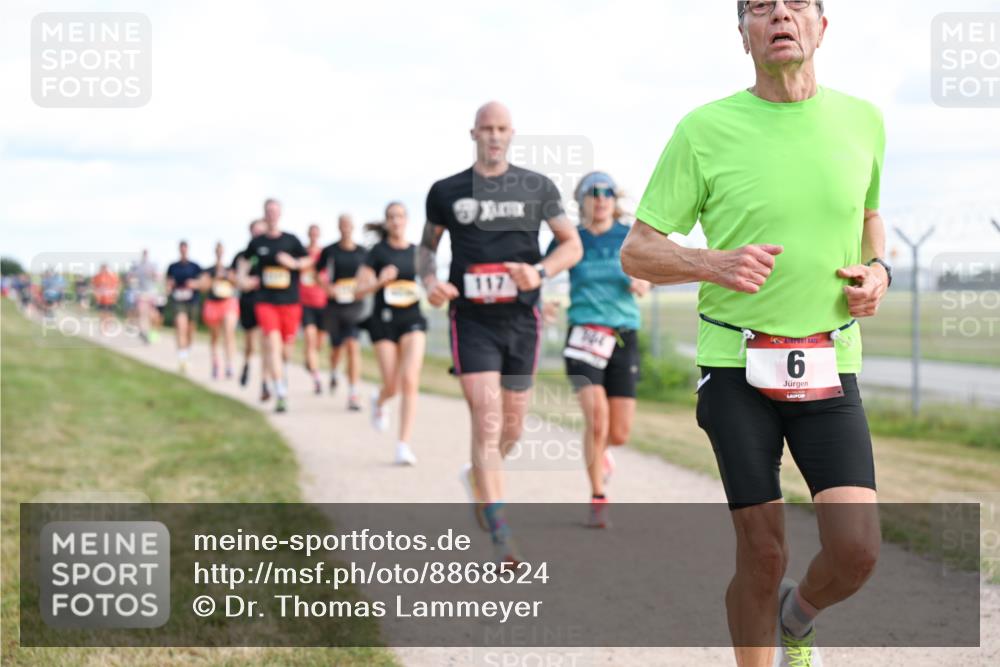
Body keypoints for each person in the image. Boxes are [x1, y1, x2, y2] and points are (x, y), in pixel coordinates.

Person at [621, 2, 888, 664]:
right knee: (763, 550)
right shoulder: (704, 130)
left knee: (856, 550)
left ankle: (797, 617)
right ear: (742, 35)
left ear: (822, 27)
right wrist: (712, 262)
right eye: (760, 8)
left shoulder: (864, 121)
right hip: (736, 364)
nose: (779, 16)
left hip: (829, 360)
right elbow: (637, 251)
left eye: (796, 4)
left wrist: (878, 269)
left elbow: (871, 213)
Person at [418, 101, 582, 563]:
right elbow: (426, 250)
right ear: (473, 134)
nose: (493, 136)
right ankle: (501, 533)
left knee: (511, 428)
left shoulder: (537, 186)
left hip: (521, 321)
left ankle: (477, 475)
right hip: (471, 321)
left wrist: (541, 272)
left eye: (501, 129)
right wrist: (431, 282)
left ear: (512, 134)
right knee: (487, 417)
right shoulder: (446, 191)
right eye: (486, 129)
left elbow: (572, 244)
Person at [552, 172, 649, 529]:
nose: (602, 197)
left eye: (608, 191)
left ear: (614, 198)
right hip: (583, 337)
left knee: (618, 433)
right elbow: (546, 271)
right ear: (583, 200)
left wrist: (642, 282)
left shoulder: (627, 236)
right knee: (596, 419)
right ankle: (597, 497)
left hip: (623, 335)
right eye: (593, 192)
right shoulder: (571, 239)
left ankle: (601, 454)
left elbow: (647, 275)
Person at [356, 204, 426, 466]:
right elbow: (359, 291)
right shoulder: (376, 253)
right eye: (391, 217)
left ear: (407, 220)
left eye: (400, 216)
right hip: (383, 322)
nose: (396, 221)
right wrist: (379, 282)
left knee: (409, 378)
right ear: (386, 222)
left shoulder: (417, 252)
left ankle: (403, 445)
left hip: (412, 320)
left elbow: (429, 283)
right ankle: (380, 399)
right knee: (393, 385)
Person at [239, 199, 312, 413]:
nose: (271, 214)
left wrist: (294, 263)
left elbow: (308, 261)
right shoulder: (257, 242)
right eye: (268, 211)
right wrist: (242, 280)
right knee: (272, 343)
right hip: (265, 302)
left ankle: (280, 373)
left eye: (275, 211)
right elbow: (244, 262)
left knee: (285, 351)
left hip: (290, 303)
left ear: (280, 214)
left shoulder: (291, 240)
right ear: (264, 214)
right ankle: (280, 391)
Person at [319, 213, 367, 411]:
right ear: (338, 227)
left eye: (349, 224)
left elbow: (368, 274)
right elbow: (317, 273)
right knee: (337, 348)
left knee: (353, 346)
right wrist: (327, 287)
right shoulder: (329, 251)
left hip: (354, 306)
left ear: (353, 227)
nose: (345, 228)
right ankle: (333, 371)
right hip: (335, 306)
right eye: (342, 225)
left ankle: (353, 394)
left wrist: (362, 287)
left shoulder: (363, 252)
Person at [235, 219, 267, 393]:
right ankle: (247, 363)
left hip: (267, 302)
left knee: (267, 343)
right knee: (251, 344)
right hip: (248, 302)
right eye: (255, 232)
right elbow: (237, 279)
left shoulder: (271, 253)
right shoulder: (243, 255)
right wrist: (249, 281)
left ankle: (265, 382)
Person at [201, 242, 240, 379]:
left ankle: (229, 364)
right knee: (215, 336)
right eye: (217, 250)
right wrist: (214, 279)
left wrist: (229, 277)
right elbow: (203, 287)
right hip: (213, 304)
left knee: (229, 332)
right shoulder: (209, 270)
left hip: (228, 303)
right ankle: (216, 363)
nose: (219, 252)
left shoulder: (229, 269)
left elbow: (237, 283)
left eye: (221, 250)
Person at [299, 223, 329, 395]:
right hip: (305, 302)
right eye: (311, 233)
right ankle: (317, 378)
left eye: (316, 233)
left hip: (322, 302)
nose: (314, 236)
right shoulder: (302, 253)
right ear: (308, 235)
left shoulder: (324, 254)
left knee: (319, 343)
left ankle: (310, 360)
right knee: (310, 339)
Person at [165, 241, 203, 374]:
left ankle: (186, 352)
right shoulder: (172, 267)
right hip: (178, 300)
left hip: (192, 301)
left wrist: (194, 284)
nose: (183, 251)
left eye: (185, 249)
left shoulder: (195, 267)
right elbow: (168, 283)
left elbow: (203, 283)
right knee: (181, 326)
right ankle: (182, 359)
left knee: (190, 330)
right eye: (181, 249)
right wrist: (169, 287)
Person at [133, 249, 160, 343]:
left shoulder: (152, 265)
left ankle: (150, 333)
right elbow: (131, 278)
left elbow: (157, 277)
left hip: (151, 293)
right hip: (141, 293)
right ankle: (144, 333)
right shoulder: (137, 266)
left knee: (153, 315)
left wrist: (153, 275)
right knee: (142, 313)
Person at [91, 264, 120, 333]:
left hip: (110, 299)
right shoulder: (97, 277)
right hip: (101, 299)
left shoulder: (112, 276)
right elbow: (94, 286)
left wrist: (115, 294)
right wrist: (96, 294)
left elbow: (117, 286)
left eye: (104, 268)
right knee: (102, 313)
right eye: (102, 268)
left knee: (110, 313)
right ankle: (103, 327)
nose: (103, 270)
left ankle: (108, 324)